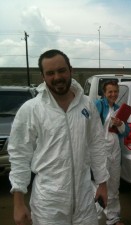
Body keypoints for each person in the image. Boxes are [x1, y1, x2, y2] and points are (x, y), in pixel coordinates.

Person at [8, 49, 109, 225]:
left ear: (71, 70)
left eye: (61, 70)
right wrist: (18, 202)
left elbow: (97, 145)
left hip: (85, 201)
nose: (57, 77)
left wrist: (102, 183)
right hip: (48, 205)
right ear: (43, 76)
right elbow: (19, 155)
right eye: (50, 73)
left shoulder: (87, 105)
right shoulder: (31, 109)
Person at [94, 81, 130, 225]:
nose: (113, 94)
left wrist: (120, 124)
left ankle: (113, 218)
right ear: (104, 93)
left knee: (114, 186)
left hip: (115, 152)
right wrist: (108, 123)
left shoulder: (119, 109)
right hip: (101, 151)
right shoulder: (98, 105)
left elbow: (126, 132)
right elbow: (91, 127)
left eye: (115, 91)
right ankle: (96, 219)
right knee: (99, 186)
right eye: (110, 91)